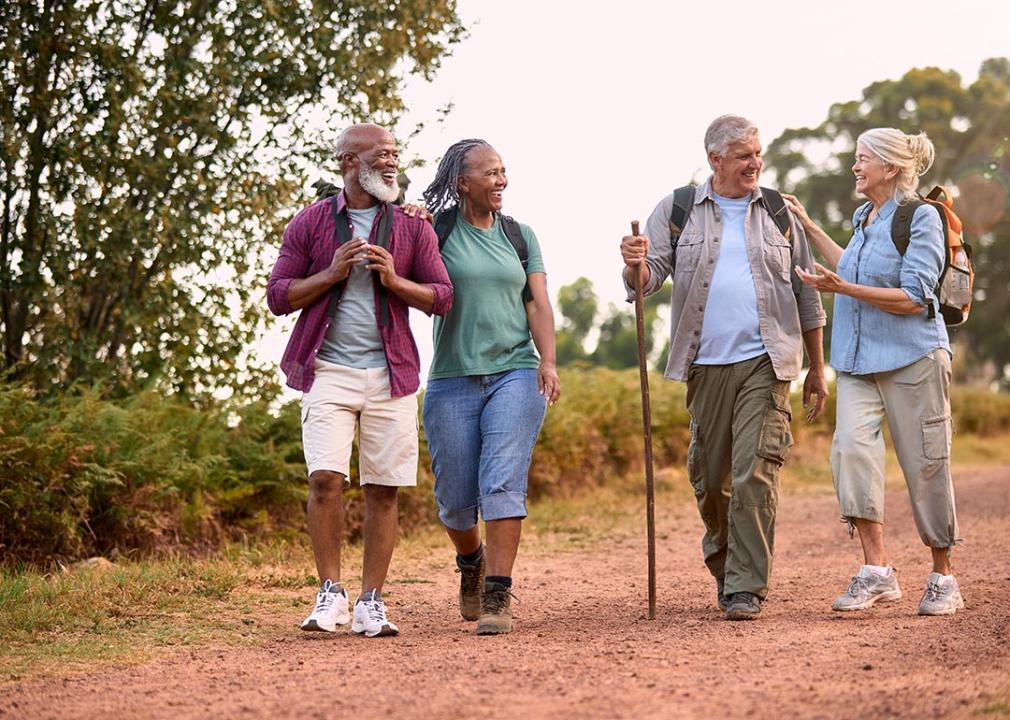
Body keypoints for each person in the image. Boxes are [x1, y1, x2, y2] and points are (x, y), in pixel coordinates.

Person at [620, 114, 828, 621]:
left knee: (754, 470)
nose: (755, 163)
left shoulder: (779, 212)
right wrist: (634, 262)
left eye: (758, 153)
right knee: (712, 480)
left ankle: (745, 587)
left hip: (769, 360)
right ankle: (727, 564)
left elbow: (807, 295)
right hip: (705, 364)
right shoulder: (678, 209)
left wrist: (817, 368)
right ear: (715, 160)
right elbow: (646, 281)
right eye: (743, 155)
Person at [267, 123, 453, 637]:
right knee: (325, 479)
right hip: (327, 370)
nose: (392, 162)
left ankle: (372, 601)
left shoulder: (414, 227)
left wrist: (394, 280)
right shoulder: (309, 223)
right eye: (380, 154)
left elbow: (442, 296)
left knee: (383, 490)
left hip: (391, 375)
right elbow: (278, 295)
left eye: (395, 154)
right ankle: (330, 593)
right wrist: (330, 273)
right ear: (349, 162)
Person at [783, 127, 963, 616]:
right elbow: (852, 272)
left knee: (926, 465)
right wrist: (809, 226)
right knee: (852, 455)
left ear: (889, 167)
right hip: (858, 363)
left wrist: (842, 290)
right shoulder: (866, 216)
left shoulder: (920, 217)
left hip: (914, 360)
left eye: (863, 159)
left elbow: (913, 296)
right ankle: (877, 571)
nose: (855, 168)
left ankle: (944, 577)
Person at [419, 139, 560, 635]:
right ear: (462, 183)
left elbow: (538, 304)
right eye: (489, 173)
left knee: (502, 482)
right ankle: (471, 561)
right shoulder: (436, 231)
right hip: (452, 376)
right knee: (456, 501)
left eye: (503, 172)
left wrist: (549, 362)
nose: (501, 181)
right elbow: (410, 277)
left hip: (516, 371)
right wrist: (410, 223)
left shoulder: (520, 236)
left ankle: (498, 592)